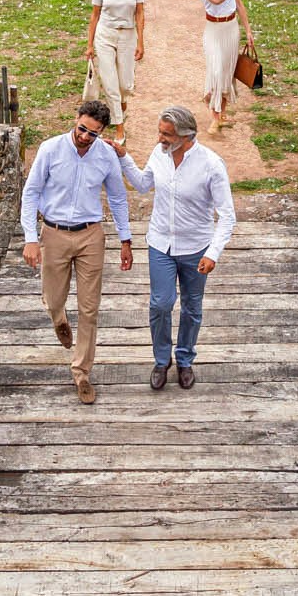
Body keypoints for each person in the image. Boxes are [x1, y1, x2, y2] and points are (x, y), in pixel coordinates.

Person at [112, 105, 235, 390]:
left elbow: (227, 215)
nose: (159, 139)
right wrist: (124, 158)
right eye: (160, 132)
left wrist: (212, 253)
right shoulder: (160, 154)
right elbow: (143, 185)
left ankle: (185, 359)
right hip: (160, 244)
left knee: (192, 307)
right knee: (161, 303)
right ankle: (161, 359)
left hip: (196, 247)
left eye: (166, 134)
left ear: (185, 135)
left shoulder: (211, 165)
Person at [19, 99, 133, 404]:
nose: (85, 136)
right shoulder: (50, 149)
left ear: (102, 132)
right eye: (82, 128)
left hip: (90, 235)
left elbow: (119, 198)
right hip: (54, 232)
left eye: (93, 133)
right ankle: (58, 317)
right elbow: (30, 193)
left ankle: (82, 372)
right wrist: (31, 238)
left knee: (89, 308)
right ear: (76, 120)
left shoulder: (106, 156)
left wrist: (126, 240)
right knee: (53, 297)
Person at [191, 0, 256, 129]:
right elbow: (217, 0)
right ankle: (214, 113)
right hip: (213, 29)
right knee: (216, 70)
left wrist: (248, 30)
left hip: (231, 28)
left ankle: (220, 114)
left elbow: (239, 5)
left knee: (227, 73)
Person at [85, 0, 146, 131]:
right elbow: (95, 14)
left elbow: (140, 12)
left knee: (125, 84)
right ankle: (119, 126)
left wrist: (141, 42)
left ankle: (122, 102)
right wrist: (89, 45)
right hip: (106, 34)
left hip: (127, 34)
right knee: (110, 83)